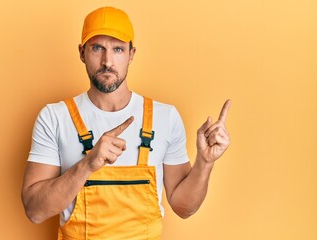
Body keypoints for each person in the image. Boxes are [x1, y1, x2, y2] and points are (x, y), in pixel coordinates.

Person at [21, 6, 231, 240]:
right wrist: (87, 164)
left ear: (131, 54)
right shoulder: (54, 117)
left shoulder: (165, 117)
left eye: (118, 49)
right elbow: (35, 211)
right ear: (82, 53)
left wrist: (204, 163)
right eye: (97, 47)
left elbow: (184, 207)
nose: (107, 61)